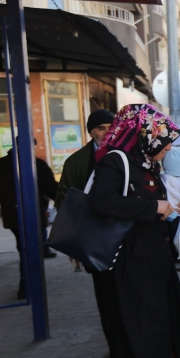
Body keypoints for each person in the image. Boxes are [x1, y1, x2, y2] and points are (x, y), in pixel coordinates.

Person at [88, 104, 180, 358]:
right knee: (145, 326)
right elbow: (102, 201)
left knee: (161, 322)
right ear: (143, 134)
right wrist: (154, 209)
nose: (168, 148)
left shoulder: (141, 163)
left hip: (152, 260)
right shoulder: (114, 161)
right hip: (131, 264)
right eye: (163, 141)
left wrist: (165, 208)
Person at [0, 139, 58, 300]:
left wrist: (5, 202)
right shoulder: (37, 164)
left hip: (13, 216)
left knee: (23, 247)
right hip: (34, 215)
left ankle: (28, 284)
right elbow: (52, 189)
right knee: (31, 251)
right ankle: (27, 286)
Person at [54, 108, 115, 272]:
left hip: (123, 232)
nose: (108, 133)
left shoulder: (129, 154)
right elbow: (66, 201)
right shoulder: (76, 162)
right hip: (93, 235)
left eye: (111, 127)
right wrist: (71, 242)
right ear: (91, 132)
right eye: (101, 128)